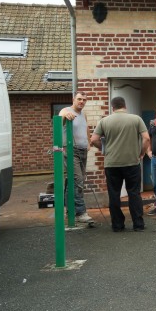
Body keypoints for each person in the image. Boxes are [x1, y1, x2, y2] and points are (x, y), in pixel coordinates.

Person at [90, 96, 150, 232]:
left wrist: (104, 150)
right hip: (132, 162)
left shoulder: (104, 121)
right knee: (134, 193)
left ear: (112, 107)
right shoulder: (136, 119)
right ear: (125, 106)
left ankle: (117, 225)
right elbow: (146, 138)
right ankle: (138, 224)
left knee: (114, 194)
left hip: (112, 164)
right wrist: (141, 153)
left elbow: (93, 140)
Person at [59, 92, 94, 224]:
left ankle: (69, 211)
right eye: (79, 99)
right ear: (73, 99)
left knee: (73, 181)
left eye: (84, 100)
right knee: (78, 180)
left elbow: (86, 128)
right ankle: (80, 213)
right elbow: (61, 118)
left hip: (82, 150)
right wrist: (66, 116)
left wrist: (88, 142)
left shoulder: (83, 114)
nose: (81, 102)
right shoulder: (66, 110)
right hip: (70, 150)